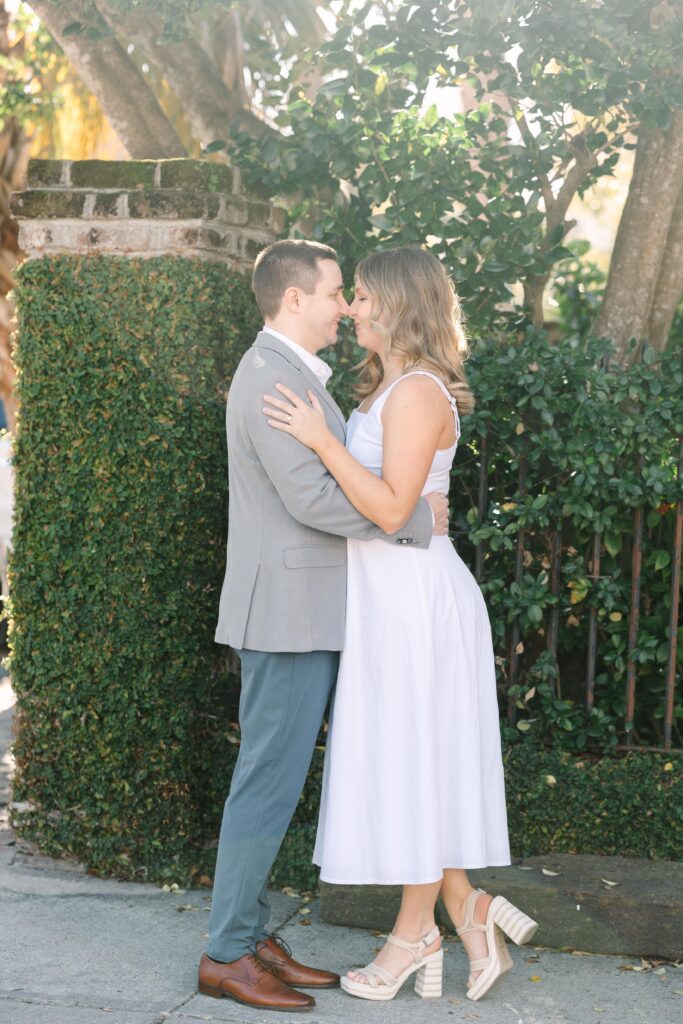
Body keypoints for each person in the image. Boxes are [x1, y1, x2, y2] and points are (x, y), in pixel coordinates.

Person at [262, 246, 538, 1004]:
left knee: (414, 763)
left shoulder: (417, 391)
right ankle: (463, 907)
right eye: (346, 296)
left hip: (417, 600)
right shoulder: (387, 386)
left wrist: (320, 442)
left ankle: (415, 933)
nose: (351, 309)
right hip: (386, 599)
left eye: (361, 296)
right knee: (414, 761)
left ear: (396, 304)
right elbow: (390, 505)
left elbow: (389, 510)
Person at [198, 239, 449, 1012]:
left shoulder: (294, 373)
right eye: (336, 292)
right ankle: (225, 954)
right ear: (294, 298)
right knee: (265, 785)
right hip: (286, 613)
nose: (346, 306)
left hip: (306, 608)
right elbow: (310, 500)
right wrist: (413, 523)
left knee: (275, 783)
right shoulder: (271, 375)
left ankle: (248, 933)